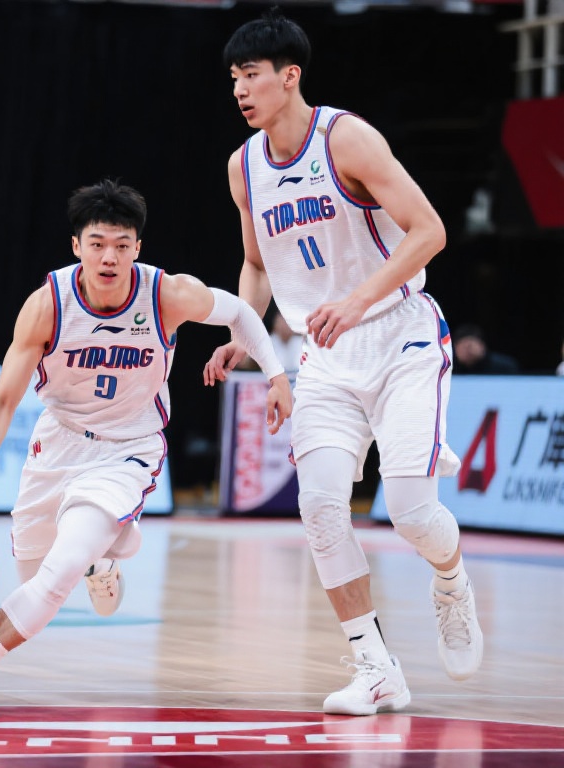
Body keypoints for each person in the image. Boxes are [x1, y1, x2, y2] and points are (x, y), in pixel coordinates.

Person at [0, 178, 293, 715]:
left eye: (121, 244)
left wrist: (276, 375)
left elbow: (240, 313)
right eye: (97, 244)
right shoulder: (47, 305)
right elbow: (2, 401)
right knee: (36, 579)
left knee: (60, 572)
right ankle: (108, 552)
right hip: (59, 444)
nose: (109, 257)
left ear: (138, 247)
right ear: (77, 246)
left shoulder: (166, 294)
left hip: (127, 449)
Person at [203, 10, 483, 717]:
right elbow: (256, 265)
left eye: (251, 75)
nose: (239, 90)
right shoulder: (243, 167)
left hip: (401, 335)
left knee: (412, 515)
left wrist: (358, 301)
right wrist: (244, 332)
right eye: (233, 78)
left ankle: (451, 580)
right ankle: (375, 667)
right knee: (321, 508)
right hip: (324, 355)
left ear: (289, 76)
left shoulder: (346, 139)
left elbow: (429, 231)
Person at [452, 323, 520, 375]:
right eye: (463, 347)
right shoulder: (448, 369)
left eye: (470, 346)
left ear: (482, 346)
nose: (468, 351)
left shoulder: (504, 367)